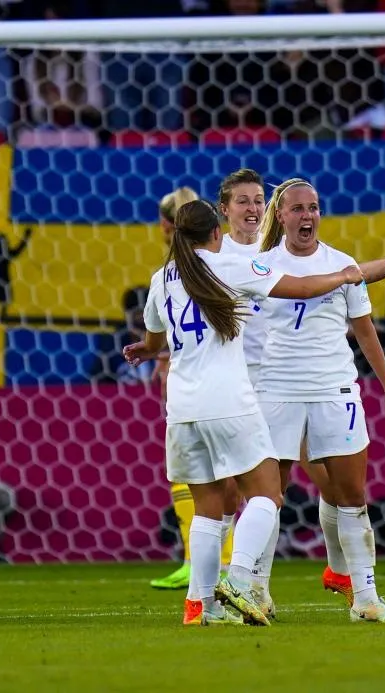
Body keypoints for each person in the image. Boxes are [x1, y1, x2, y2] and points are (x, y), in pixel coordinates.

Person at [123, 199, 366, 626]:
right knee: (268, 494)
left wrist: (146, 350)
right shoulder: (227, 267)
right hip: (229, 403)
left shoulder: (160, 279)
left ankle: (200, 606)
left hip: (181, 410)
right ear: (216, 233)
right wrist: (346, 274)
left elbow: (153, 337)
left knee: (207, 508)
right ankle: (237, 579)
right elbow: (305, 288)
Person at [251, 178, 385, 624]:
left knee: (351, 493)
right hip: (278, 389)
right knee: (270, 494)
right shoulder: (262, 266)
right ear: (280, 216)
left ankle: (365, 598)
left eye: (314, 208)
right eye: (298, 209)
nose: (307, 216)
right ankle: (258, 593)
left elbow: (364, 330)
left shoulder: (341, 263)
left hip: (334, 389)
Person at [148, 187, 238, 591]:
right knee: (227, 480)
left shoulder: (214, 264)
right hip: (213, 385)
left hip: (220, 384)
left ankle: (221, 568)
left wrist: (160, 354)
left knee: (243, 482)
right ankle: (209, 566)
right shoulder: (176, 270)